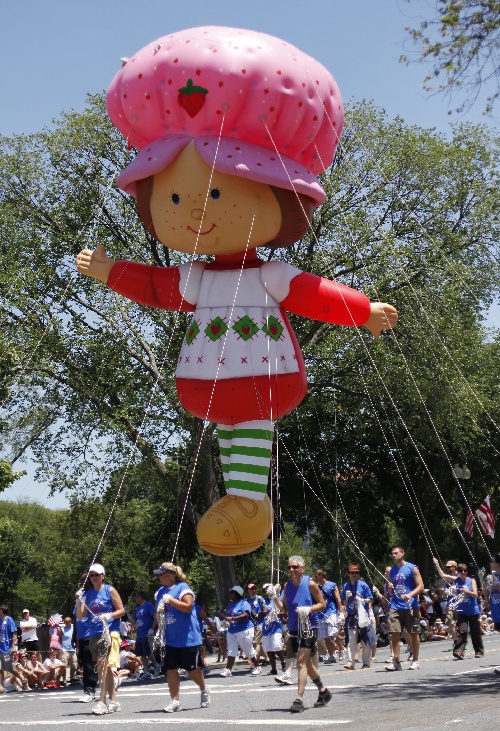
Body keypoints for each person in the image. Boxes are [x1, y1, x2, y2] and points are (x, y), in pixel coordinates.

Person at [153, 561, 209, 713]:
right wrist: (156, 630)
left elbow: (188, 607)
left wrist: (170, 600)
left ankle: (203, 689)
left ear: (169, 575)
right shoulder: (159, 592)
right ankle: (175, 701)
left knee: (191, 670)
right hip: (170, 638)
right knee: (170, 669)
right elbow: (159, 614)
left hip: (187, 637)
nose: (158, 578)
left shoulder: (183, 588)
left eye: (161, 575)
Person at [282, 555, 331, 713]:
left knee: (301, 662)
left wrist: (309, 609)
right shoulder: (287, 586)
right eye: (289, 567)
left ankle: (299, 699)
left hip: (308, 628)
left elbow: (322, 604)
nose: (291, 569)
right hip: (294, 629)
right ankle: (323, 691)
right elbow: (284, 609)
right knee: (307, 664)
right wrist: (274, 598)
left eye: (295, 567)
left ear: (302, 569)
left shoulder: (310, 584)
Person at [76, 562, 125, 714]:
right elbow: (80, 615)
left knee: (102, 667)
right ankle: (115, 701)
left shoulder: (109, 590)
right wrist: (79, 600)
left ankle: (102, 702)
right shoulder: (88, 594)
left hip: (109, 632)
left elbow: (122, 610)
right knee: (106, 669)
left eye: (97, 574)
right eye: (92, 575)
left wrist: (109, 615)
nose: (94, 577)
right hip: (94, 634)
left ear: (103, 576)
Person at [386, 546, 424, 671]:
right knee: (394, 633)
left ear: (402, 553)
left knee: (413, 633)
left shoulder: (412, 568)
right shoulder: (392, 571)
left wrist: (410, 595)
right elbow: (395, 588)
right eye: (392, 553)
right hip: (395, 605)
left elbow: (421, 586)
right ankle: (396, 661)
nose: (394, 555)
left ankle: (415, 660)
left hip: (410, 606)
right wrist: (391, 589)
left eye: (396, 553)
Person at [436, 563, 483, 659]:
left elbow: (475, 594)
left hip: (473, 611)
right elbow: (443, 575)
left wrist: (466, 591)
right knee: (462, 631)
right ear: (459, 572)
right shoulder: (456, 580)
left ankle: (479, 651)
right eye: (461, 571)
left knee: (475, 632)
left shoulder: (471, 580)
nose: (463, 573)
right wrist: (436, 564)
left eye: (465, 571)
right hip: (461, 611)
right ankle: (459, 651)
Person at [220, 586, 261, 677]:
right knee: (231, 650)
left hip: (244, 629)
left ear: (236, 594)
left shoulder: (244, 603)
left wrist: (232, 618)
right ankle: (228, 670)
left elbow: (245, 615)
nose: (230, 595)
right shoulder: (230, 604)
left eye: (232, 593)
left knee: (248, 650)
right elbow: (229, 615)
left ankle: (257, 666)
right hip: (232, 630)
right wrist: (223, 615)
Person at [341, 565, 375, 670]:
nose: (354, 574)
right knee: (351, 638)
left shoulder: (363, 585)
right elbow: (343, 602)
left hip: (363, 615)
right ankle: (350, 662)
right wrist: (346, 598)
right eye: (352, 573)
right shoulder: (346, 586)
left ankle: (366, 662)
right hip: (351, 614)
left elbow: (371, 599)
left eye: (356, 572)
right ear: (348, 574)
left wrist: (363, 600)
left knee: (365, 638)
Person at [75, 573, 98, 703]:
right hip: (82, 635)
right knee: (86, 664)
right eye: (82, 581)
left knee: (90, 664)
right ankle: (89, 689)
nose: (82, 583)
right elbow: (77, 618)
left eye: (84, 581)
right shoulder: (80, 596)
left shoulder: (90, 596)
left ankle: (90, 690)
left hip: (91, 633)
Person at [314, 569, 343, 664]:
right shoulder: (316, 587)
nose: (315, 577)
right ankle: (332, 655)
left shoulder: (332, 585)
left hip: (331, 611)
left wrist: (340, 612)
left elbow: (338, 599)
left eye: (316, 575)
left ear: (321, 575)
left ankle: (341, 649)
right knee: (325, 636)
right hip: (321, 614)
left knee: (332, 633)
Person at [261, 583, 286, 675]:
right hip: (266, 627)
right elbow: (261, 613)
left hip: (276, 626)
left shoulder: (278, 598)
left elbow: (285, 612)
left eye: (268, 589)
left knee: (276, 646)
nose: (266, 591)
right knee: (268, 648)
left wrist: (277, 613)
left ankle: (283, 662)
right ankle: (273, 668)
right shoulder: (263, 601)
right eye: (265, 590)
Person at [133, 591, 156, 680]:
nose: (135, 599)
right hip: (139, 634)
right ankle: (147, 672)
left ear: (141, 597)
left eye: (137, 596)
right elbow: (133, 621)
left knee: (148, 651)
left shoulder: (148, 605)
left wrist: (152, 629)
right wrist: (126, 612)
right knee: (141, 653)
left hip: (147, 632)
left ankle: (155, 664)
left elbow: (155, 617)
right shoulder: (138, 608)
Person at [246, 583, 267, 666]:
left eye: (255, 589)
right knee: (259, 643)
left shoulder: (260, 599)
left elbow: (265, 608)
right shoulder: (246, 601)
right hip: (251, 624)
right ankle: (267, 658)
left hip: (260, 623)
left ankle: (256, 663)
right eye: (252, 589)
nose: (253, 590)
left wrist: (259, 615)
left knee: (256, 642)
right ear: (248, 590)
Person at [0, 605, 18, 686]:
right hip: (0, 648)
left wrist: (13, 647)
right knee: (0, 668)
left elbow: (14, 633)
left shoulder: (9, 619)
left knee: (9, 668)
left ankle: (22, 677)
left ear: (1, 611)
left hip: (7, 649)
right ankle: (1, 686)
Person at [61, 616, 78, 684]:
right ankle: (64, 680)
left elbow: (77, 638)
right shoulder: (62, 629)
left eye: (69, 622)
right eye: (66, 622)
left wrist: (77, 648)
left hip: (73, 649)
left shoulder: (74, 628)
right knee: (64, 665)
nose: (67, 623)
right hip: (64, 649)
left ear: (71, 621)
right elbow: (59, 639)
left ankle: (71, 678)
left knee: (74, 664)